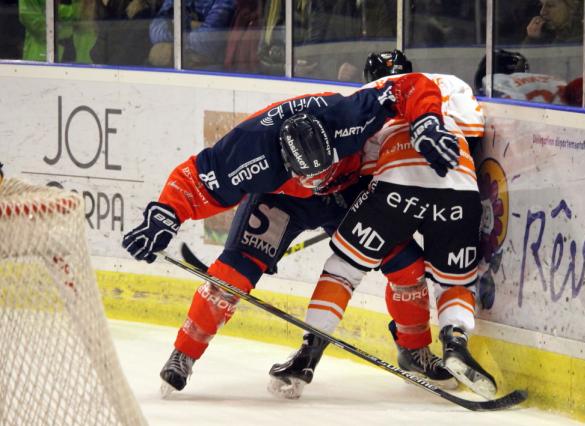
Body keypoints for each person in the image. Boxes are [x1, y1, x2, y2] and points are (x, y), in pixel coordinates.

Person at [122, 71, 462, 396]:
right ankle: (184, 353)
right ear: (285, 162)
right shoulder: (251, 149)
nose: (317, 182)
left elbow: (410, 86)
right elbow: (194, 178)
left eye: (323, 168)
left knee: (406, 264)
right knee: (231, 276)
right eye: (309, 176)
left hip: (349, 191)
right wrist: (164, 216)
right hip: (282, 200)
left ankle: (414, 349)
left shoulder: (346, 116)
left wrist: (426, 122)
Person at [268, 51, 496, 401]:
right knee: (455, 280)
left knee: (344, 268)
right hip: (460, 187)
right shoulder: (452, 85)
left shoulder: (370, 96)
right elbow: (474, 133)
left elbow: (364, 165)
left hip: (395, 187)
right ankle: (454, 340)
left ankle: (308, 353)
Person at [147, 0, 235, 67]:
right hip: (182, 63)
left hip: (213, 72)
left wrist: (174, 36)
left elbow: (206, 42)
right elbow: (154, 32)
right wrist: (195, 26)